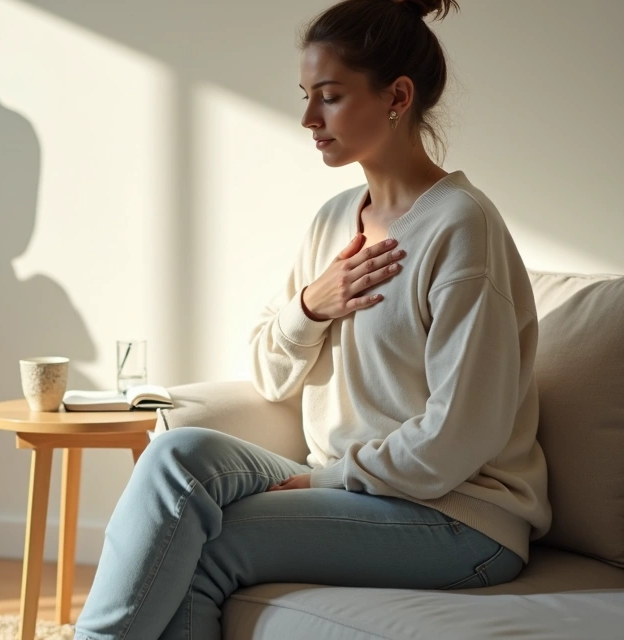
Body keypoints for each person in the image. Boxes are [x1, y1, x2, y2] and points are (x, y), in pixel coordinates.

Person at [72, 0, 551, 638]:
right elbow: (271, 375)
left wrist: (319, 479)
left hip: (459, 518)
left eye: (328, 97)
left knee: (203, 546)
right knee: (176, 454)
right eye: (305, 96)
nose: (307, 119)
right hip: (352, 488)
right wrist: (308, 308)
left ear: (397, 96)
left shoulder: (461, 228)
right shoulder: (332, 221)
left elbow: (458, 437)